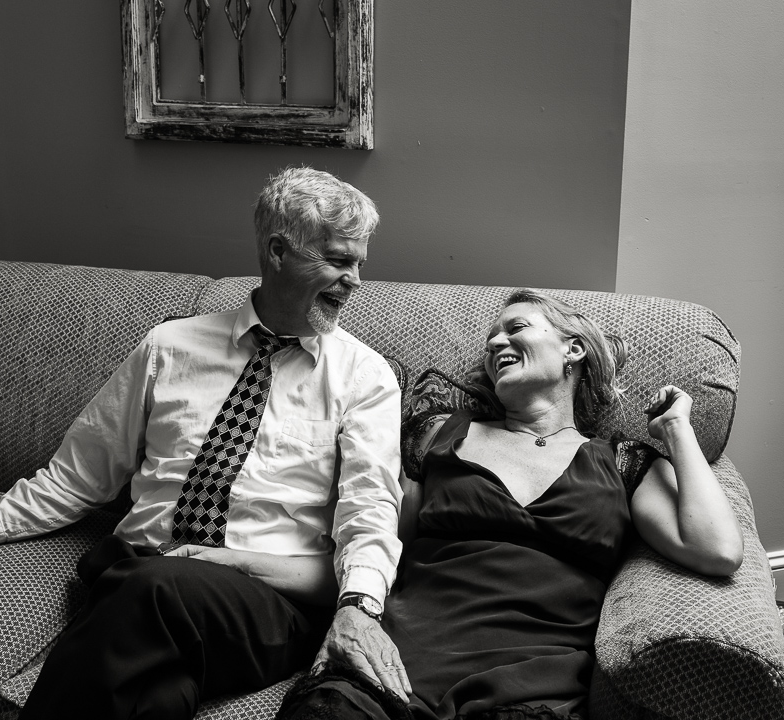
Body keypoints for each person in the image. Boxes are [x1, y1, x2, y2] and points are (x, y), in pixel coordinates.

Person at [0, 167, 404, 719]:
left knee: (146, 589)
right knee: (152, 697)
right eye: (338, 259)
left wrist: (359, 607)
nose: (354, 280)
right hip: (141, 575)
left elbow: (370, 511)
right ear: (278, 252)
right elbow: (76, 476)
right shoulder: (169, 347)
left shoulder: (362, 378)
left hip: (263, 605)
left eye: (358, 263)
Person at [277, 289, 744, 720]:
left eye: (516, 328)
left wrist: (678, 430)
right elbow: (374, 547)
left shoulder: (620, 461)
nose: (497, 341)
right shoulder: (439, 434)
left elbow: (717, 549)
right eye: (490, 338)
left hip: (530, 695)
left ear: (573, 350)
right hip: (386, 677)